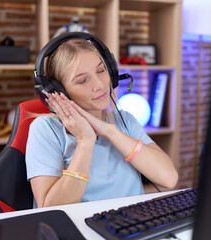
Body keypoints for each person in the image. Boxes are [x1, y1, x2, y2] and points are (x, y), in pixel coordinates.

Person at [26, 37, 178, 208]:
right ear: (58, 91)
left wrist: (110, 131)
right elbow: (50, 209)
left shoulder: (125, 121)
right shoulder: (46, 129)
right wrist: (85, 141)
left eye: (101, 70)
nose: (99, 85)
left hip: (130, 226)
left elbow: (169, 178)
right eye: (82, 80)